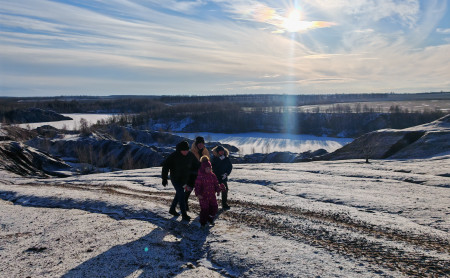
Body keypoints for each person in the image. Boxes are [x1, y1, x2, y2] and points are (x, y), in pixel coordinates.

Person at [161, 141, 200, 221]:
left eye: (187, 150)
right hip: (176, 179)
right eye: (184, 150)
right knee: (181, 194)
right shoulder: (173, 156)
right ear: (179, 150)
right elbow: (165, 167)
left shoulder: (190, 155)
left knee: (179, 194)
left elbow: (197, 164)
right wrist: (164, 178)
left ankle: (172, 209)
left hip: (185, 179)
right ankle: (184, 215)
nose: (186, 152)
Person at [194, 156, 225, 227]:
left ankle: (210, 218)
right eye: (207, 168)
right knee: (205, 210)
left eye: (209, 168)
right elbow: (197, 186)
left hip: (211, 195)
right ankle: (203, 222)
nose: (208, 169)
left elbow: (216, 184)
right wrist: (198, 194)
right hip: (203, 196)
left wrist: (218, 190)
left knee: (214, 207)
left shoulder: (212, 175)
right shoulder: (200, 176)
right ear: (203, 168)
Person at [185, 136, 210, 211]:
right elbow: (188, 164)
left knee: (203, 191)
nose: (201, 145)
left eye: (202, 143)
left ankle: (204, 206)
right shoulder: (192, 152)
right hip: (192, 174)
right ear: (196, 144)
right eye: (199, 143)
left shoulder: (205, 151)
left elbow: (208, 162)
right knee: (188, 189)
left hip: (203, 174)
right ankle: (184, 202)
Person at [211, 145, 233, 210]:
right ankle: (211, 204)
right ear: (217, 152)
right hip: (216, 178)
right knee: (213, 191)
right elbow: (213, 168)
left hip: (223, 178)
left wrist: (226, 174)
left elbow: (230, 167)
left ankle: (224, 204)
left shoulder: (226, 158)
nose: (222, 152)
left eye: (222, 151)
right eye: (220, 151)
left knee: (225, 190)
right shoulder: (214, 158)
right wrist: (219, 160)